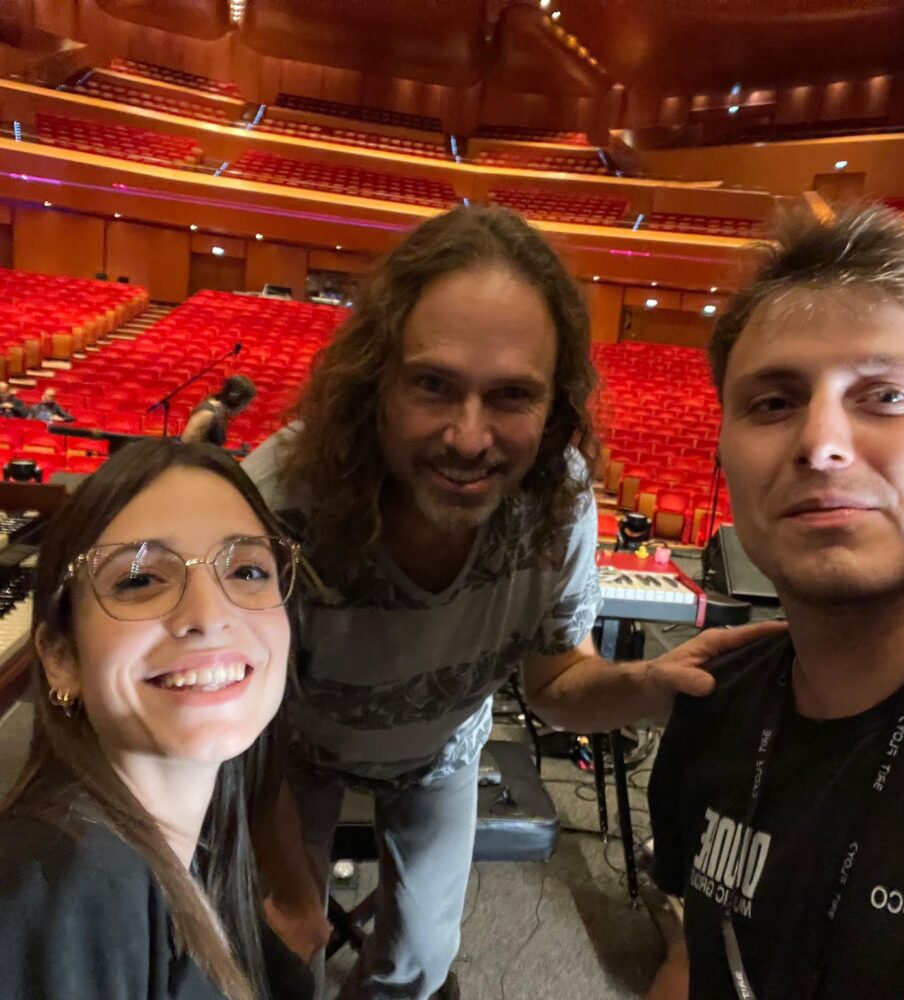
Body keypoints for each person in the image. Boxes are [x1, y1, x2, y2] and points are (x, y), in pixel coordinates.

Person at [243, 204, 780, 1000]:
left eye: (511, 396)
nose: (468, 438)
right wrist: (292, 891)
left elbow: (555, 682)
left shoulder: (557, 499)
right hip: (284, 754)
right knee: (274, 960)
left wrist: (646, 686)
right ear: (375, 382)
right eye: (433, 385)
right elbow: (239, 729)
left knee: (420, 962)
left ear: (554, 405)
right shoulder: (279, 503)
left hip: (441, 750)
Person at [647, 205, 904, 1000]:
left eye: (887, 396)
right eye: (774, 403)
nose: (820, 443)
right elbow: (693, 961)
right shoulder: (711, 700)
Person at [0, 439, 311, 1000]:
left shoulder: (193, 848)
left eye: (247, 570)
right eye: (139, 580)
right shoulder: (60, 895)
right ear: (61, 657)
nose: (210, 615)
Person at [182, 374, 257, 446]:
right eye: (246, 404)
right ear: (239, 401)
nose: (246, 408)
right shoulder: (207, 413)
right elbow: (186, 443)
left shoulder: (221, 411)